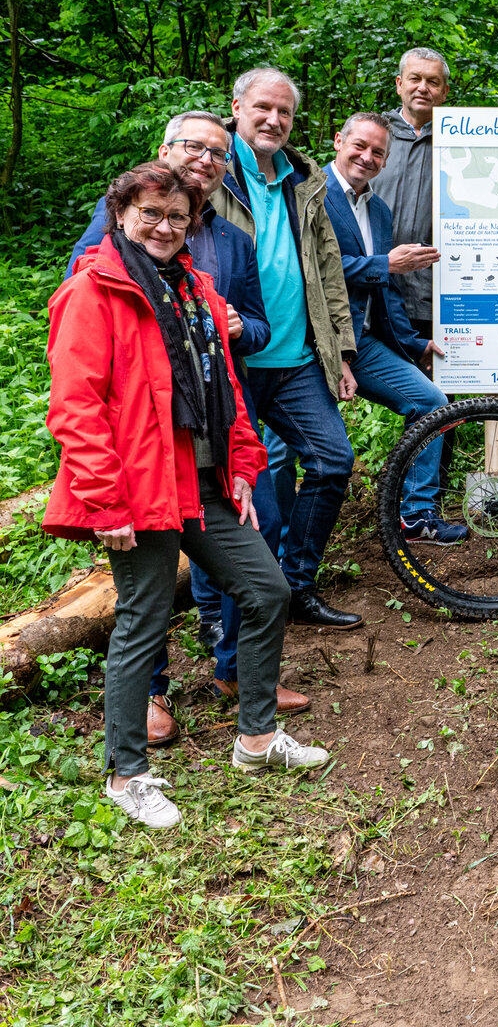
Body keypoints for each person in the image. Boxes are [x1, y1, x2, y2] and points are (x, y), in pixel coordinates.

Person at [45, 163, 330, 829]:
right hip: (138, 487)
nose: (164, 226)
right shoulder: (92, 291)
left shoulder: (194, 289)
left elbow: (223, 384)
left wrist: (243, 462)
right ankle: (126, 775)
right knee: (143, 621)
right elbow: (76, 407)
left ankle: (256, 739)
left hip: (202, 484)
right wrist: (105, 501)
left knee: (266, 590)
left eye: (178, 216)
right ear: (121, 215)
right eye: (150, 212)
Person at [212, 66, 363, 631]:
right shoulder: (213, 170)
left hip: (296, 360)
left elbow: (328, 269)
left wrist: (341, 351)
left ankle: (297, 585)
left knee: (332, 461)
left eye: (285, 112)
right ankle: (215, 614)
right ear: (237, 108)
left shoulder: (304, 180)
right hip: (231, 362)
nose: (274, 120)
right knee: (227, 490)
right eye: (263, 108)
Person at [323, 112, 465, 543]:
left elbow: (384, 290)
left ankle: (416, 515)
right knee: (290, 450)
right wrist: (384, 263)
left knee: (431, 403)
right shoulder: (311, 194)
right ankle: (272, 544)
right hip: (314, 340)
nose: (367, 157)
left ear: (386, 160)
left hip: (362, 341)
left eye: (378, 152)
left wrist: (413, 342)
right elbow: (314, 271)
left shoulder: (378, 210)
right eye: (360, 146)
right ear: (338, 142)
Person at [370, 47, 449, 343]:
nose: (422, 88)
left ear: (444, 91)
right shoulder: (373, 135)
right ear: (399, 84)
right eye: (415, 78)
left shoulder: (460, 142)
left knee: (431, 372)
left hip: (435, 295)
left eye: (433, 82)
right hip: (373, 288)